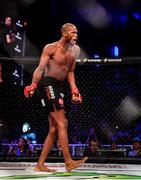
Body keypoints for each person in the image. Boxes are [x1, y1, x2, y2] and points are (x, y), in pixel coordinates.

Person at [24, 23, 88, 172]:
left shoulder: (76, 50)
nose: (76, 35)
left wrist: (74, 91)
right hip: (47, 84)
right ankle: (68, 162)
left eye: (77, 32)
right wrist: (33, 84)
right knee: (62, 123)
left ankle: (40, 165)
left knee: (54, 128)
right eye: (73, 32)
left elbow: (70, 73)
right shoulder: (50, 48)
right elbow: (40, 68)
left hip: (59, 86)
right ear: (65, 34)